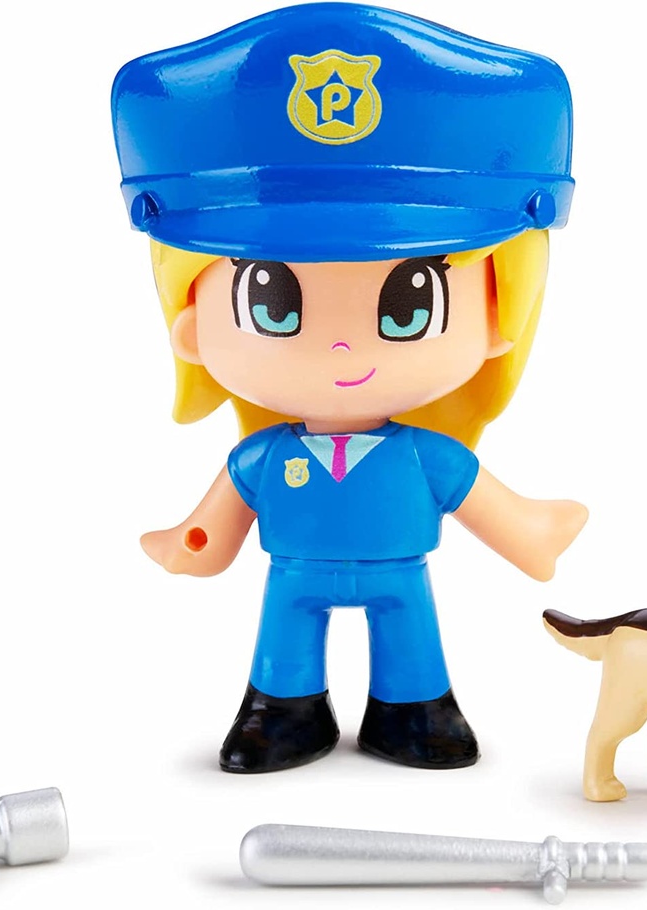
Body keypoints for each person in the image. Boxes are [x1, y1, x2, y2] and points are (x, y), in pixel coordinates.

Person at [111, 3, 587, 773]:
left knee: (410, 637)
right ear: (191, 330)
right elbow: (216, 525)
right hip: (293, 572)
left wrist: (529, 530)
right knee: (285, 635)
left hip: (400, 572)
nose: (340, 349)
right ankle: (283, 711)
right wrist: (194, 542)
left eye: (409, 303)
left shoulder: (423, 457)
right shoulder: (264, 459)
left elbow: (488, 506)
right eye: (273, 302)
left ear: (501, 315)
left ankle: (414, 710)